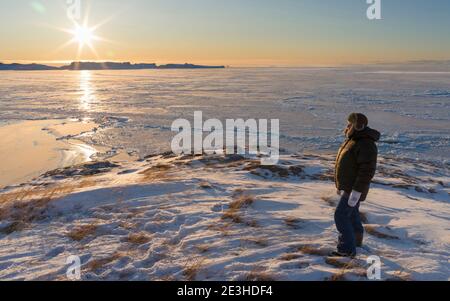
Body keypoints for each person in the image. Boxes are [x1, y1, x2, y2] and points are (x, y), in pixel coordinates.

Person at [333, 113, 380, 257]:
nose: (347, 126)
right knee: (352, 215)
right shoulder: (354, 140)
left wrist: (356, 191)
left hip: (354, 189)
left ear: (357, 126)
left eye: (349, 124)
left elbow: (367, 171)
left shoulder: (365, 143)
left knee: (340, 216)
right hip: (350, 187)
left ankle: (346, 250)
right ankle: (356, 242)